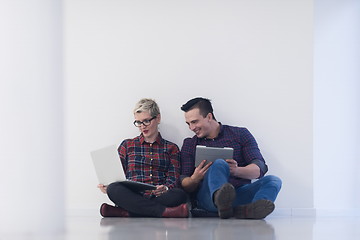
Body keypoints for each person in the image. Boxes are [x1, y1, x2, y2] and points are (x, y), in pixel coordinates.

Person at [180, 97, 282, 219]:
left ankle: (247, 210)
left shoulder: (240, 134)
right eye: (188, 124)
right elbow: (184, 182)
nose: (191, 128)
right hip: (208, 199)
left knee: (274, 180)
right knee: (219, 164)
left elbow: (259, 169)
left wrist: (236, 170)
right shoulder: (190, 144)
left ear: (209, 117)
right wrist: (194, 179)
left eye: (195, 122)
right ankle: (221, 199)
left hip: (239, 193)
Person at [98, 98, 188, 218]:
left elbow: (173, 178)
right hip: (132, 195)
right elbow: (117, 176)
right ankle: (163, 212)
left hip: (158, 196)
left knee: (179, 194)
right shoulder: (127, 145)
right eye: (138, 122)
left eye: (146, 121)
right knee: (114, 189)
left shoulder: (171, 148)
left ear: (158, 118)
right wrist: (107, 185)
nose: (142, 126)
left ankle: (125, 212)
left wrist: (165, 188)